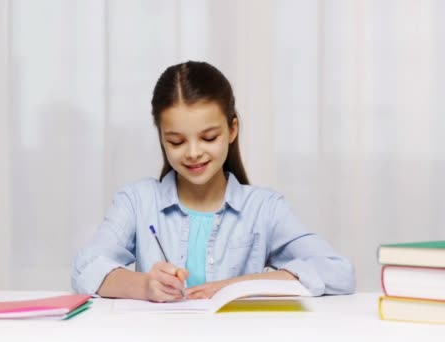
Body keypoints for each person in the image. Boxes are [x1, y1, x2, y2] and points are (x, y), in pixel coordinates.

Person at [71, 61, 355, 302]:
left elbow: (338, 272)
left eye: (209, 138)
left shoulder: (264, 208)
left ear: (232, 129)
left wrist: (235, 287)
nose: (193, 152)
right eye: (177, 141)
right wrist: (145, 286)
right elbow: (86, 268)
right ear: (161, 137)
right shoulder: (137, 201)